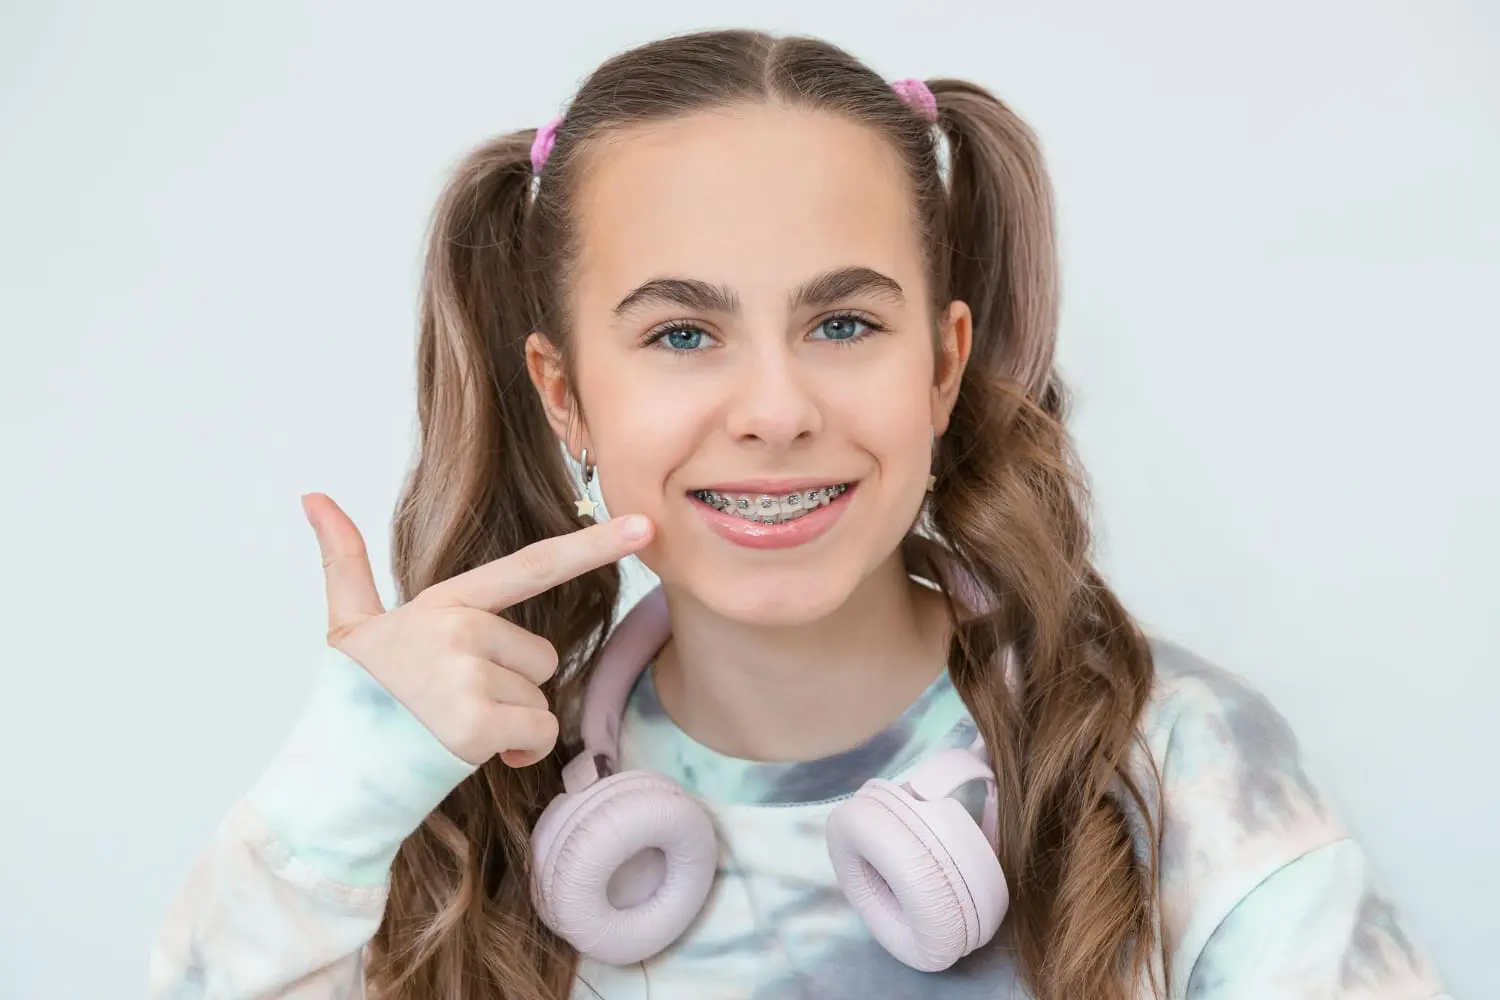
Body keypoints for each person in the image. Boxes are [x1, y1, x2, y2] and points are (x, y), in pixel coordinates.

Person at [148, 28, 1450, 1000]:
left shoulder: (1182, 768)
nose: (775, 409)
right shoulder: (463, 808)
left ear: (941, 366)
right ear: (566, 395)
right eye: (680, 332)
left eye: (842, 323)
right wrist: (343, 792)